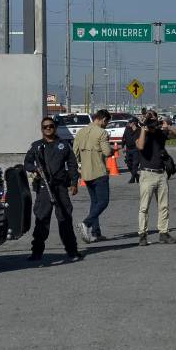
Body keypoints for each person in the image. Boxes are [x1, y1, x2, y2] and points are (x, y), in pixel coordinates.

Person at [23, 117, 83, 261]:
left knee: (65, 219)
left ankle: (72, 251)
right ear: (42, 129)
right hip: (44, 187)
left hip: (60, 187)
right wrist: (35, 169)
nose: (48, 128)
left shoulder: (63, 145)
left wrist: (74, 183)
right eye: (45, 127)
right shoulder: (37, 146)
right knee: (42, 219)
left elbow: (72, 165)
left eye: (51, 126)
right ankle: (36, 252)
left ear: (55, 127)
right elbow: (27, 163)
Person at [135, 110, 176, 246]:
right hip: (147, 174)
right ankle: (142, 235)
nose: (152, 121)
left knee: (164, 206)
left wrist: (167, 126)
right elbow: (140, 145)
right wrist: (144, 128)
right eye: (150, 118)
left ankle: (163, 233)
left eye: (153, 118)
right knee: (144, 207)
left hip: (161, 174)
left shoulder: (161, 133)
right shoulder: (142, 132)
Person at [73, 109, 112, 243]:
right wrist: (112, 148)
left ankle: (96, 233)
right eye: (107, 122)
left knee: (94, 202)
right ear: (103, 119)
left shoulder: (81, 132)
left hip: (86, 173)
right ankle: (86, 223)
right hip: (99, 172)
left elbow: (75, 153)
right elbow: (107, 152)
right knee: (103, 201)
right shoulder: (102, 133)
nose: (106, 125)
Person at [122, 117, 142, 184]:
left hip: (136, 149)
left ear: (134, 123)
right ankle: (136, 176)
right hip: (128, 149)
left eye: (130, 122)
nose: (129, 123)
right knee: (128, 164)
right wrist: (123, 146)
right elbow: (124, 138)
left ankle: (132, 178)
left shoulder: (139, 130)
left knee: (135, 164)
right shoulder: (127, 129)